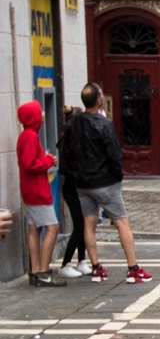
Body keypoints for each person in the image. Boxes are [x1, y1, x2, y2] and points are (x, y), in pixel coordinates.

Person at [58, 83, 152, 286]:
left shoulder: (73, 123)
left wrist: (76, 174)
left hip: (83, 184)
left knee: (89, 224)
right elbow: (114, 153)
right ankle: (133, 268)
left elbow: (66, 153)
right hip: (105, 182)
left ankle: (96, 267)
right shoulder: (103, 124)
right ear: (99, 100)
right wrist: (116, 176)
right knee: (121, 222)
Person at [16, 101, 64, 288]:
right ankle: (43, 271)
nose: (43, 113)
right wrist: (47, 160)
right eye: (39, 111)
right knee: (52, 227)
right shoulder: (30, 137)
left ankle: (35, 270)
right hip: (37, 190)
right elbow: (31, 164)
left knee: (34, 229)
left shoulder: (26, 136)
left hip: (30, 189)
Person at [57, 106, 92, 278]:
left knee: (84, 223)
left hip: (79, 186)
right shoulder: (68, 137)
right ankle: (66, 263)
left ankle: (81, 261)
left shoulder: (75, 137)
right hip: (72, 186)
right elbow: (64, 166)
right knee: (79, 225)